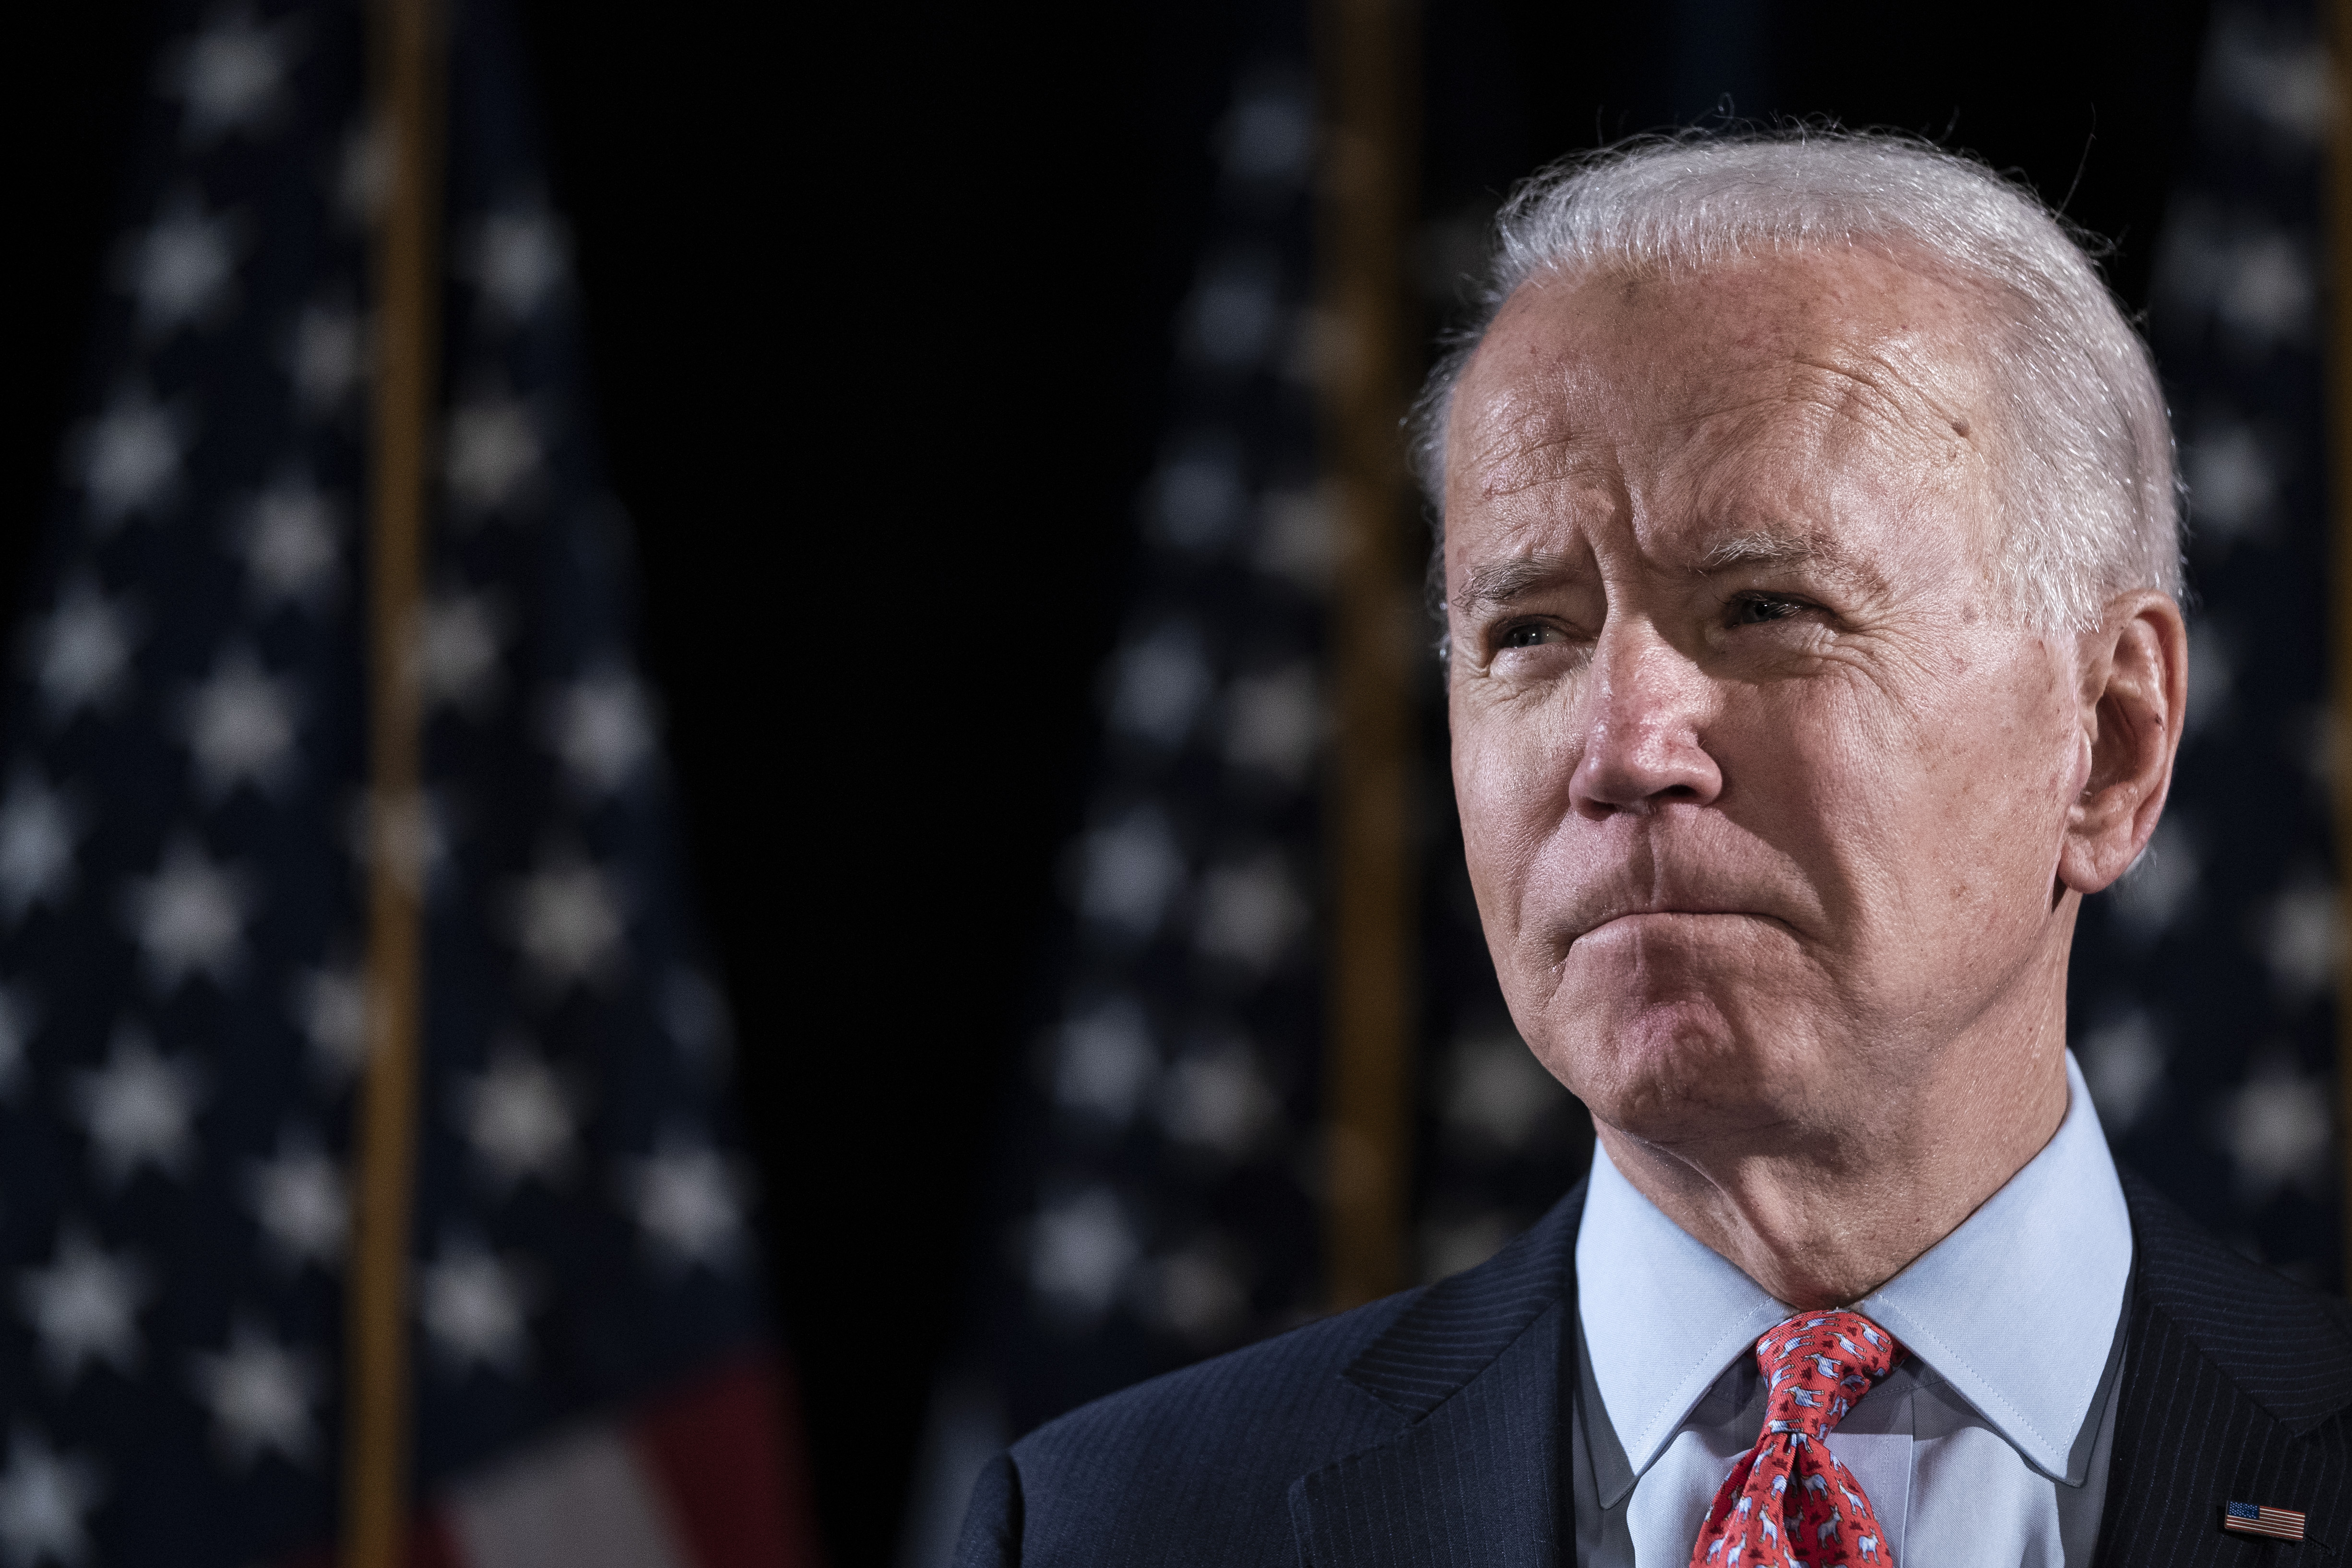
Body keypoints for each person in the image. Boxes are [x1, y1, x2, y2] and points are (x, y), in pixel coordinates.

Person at [954, 131, 2352, 1567]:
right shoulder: (1104, 1527)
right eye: (1531, 632)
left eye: (1765, 608)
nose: (1623, 746)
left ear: (2109, 742)